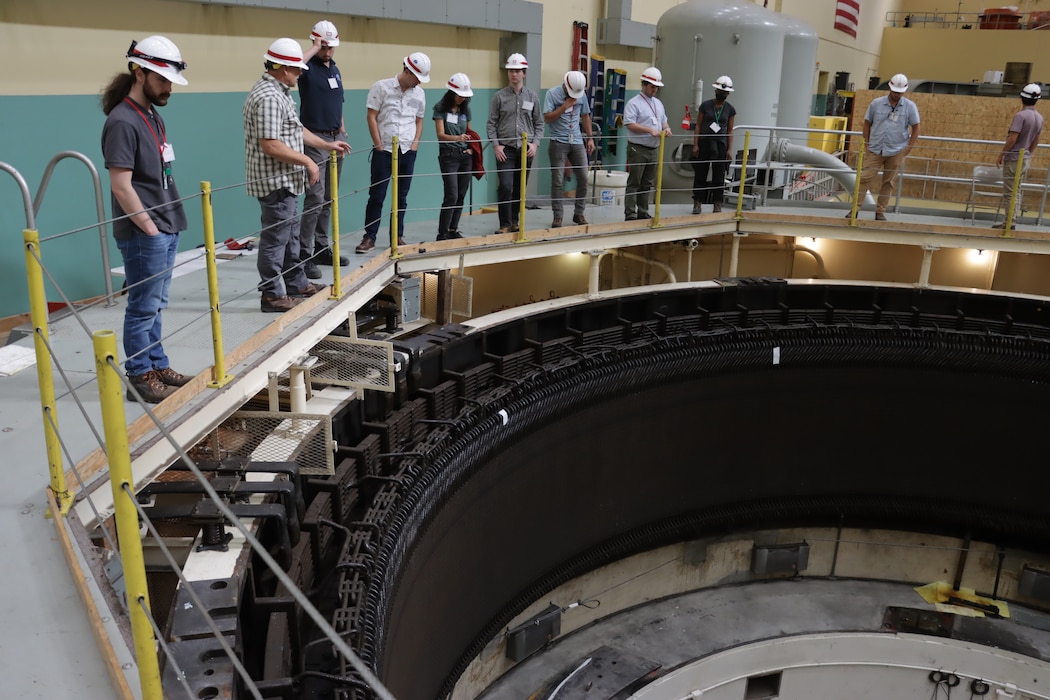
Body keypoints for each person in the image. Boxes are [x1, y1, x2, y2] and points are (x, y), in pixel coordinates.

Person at [101, 35, 193, 403]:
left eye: (170, 79)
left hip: (165, 225)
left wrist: (164, 228)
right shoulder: (123, 121)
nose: (168, 87)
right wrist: (151, 229)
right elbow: (121, 186)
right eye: (162, 79)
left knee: (156, 304)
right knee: (142, 307)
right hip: (146, 232)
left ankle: (157, 362)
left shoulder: (152, 115)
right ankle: (139, 375)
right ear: (139, 73)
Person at [244, 38, 351, 312]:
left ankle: (296, 283)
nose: (301, 73)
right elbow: (270, 144)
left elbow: (295, 130)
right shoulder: (268, 97)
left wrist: (327, 145)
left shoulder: (280, 93)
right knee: (275, 240)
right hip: (275, 181)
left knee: (290, 236)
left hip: (286, 181)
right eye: (296, 69)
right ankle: (271, 295)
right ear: (282, 68)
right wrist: (308, 161)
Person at [355, 52, 430, 253]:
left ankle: (397, 236)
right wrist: (378, 145)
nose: (419, 83)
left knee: (401, 197)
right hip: (384, 150)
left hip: (407, 150)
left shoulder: (419, 94)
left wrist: (415, 143)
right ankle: (369, 237)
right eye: (417, 78)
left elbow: (419, 120)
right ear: (407, 71)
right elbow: (371, 116)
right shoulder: (382, 87)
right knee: (377, 195)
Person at [297, 20, 350, 279]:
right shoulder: (306, 68)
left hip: (335, 139)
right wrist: (314, 48)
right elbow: (294, 63)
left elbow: (338, 101)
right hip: (314, 140)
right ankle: (303, 255)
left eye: (331, 47)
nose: (328, 51)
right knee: (314, 198)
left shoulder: (335, 70)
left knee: (329, 198)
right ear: (316, 43)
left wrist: (342, 130)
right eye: (324, 46)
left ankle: (321, 247)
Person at [486, 53, 545, 234]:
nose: (514, 74)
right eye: (511, 71)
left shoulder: (532, 96)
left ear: (524, 73)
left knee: (520, 188)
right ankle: (504, 224)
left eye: (517, 71)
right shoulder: (499, 97)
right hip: (506, 149)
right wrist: (496, 145)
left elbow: (539, 123)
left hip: (525, 149)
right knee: (505, 186)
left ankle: (514, 221)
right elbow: (491, 123)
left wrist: (535, 144)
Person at [850, 73, 920, 221]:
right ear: (890, 88)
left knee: (888, 182)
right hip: (875, 149)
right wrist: (867, 142)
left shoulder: (910, 107)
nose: (896, 95)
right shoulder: (876, 103)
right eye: (895, 92)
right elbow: (867, 123)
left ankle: (880, 212)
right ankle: (854, 209)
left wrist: (908, 148)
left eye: (899, 93)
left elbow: (916, 127)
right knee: (864, 179)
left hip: (896, 150)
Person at [543, 70, 595, 228]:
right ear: (565, 85)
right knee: (558, 181)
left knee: (584, 178)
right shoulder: (552, 94)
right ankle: (558, 215)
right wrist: (564, 106)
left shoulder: (581, 94)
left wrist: (590, 137)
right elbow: (547, 118)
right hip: (558, 141)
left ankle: (579, 213)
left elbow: (585, 116)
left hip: (577, 141)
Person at [623, 67, 672, 221]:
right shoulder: (634, 103)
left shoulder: (658, 103)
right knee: (634, 181)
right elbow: (629, 124)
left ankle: (643, 211)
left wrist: (667, 128)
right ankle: (630, 212)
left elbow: (663, 120)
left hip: (654, 148)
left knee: (647, 182)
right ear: (644, 85)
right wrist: (649, 130)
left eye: (656, 87)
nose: (655, 90)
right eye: (652, 87)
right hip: (638, 148)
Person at [994, 83, 1044, 229]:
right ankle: (1012, 220)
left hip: (1014, 158)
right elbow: (1036, 141)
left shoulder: (1020, 116)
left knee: (1009, 192)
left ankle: (1008, 222)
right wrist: (1028, 153)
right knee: (1018, 190)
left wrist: (1002, 154)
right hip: (1025, 158)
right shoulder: (1039, 117)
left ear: (1022, 98)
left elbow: (1012, 139)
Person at [433, 73, 474, 240]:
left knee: (461, 194)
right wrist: (457, 138)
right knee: (451, 194)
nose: (462, 99)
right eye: (459, 95)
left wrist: (471, 148)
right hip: (448, 155)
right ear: (451, 93)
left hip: (465, 156)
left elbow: (469, 132)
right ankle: (442, 232)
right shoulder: (440, 109)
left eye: (465, 96)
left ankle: (453, 229)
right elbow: (440, 135)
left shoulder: (466, 110)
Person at [691, 75, 737, 215]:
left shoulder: (730, 109)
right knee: (701, 174)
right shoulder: (705, 106)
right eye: (720, 91)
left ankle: (717, 203)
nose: (722, 94)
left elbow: (730, 130)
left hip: (720, 145)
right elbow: (698, 125)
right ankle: (697, 202)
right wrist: (695, 144)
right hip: (704, 142)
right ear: (716, 91)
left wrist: (729, 149)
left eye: (725, 92)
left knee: (718, 175)